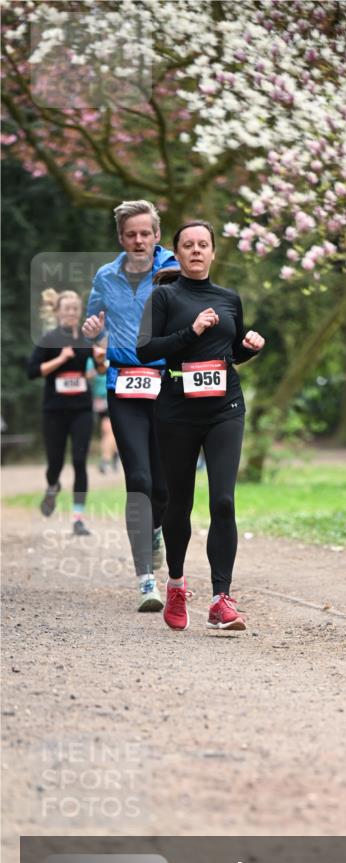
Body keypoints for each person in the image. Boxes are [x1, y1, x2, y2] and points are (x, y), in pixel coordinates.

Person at [136, 220, 265, 632]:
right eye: (188, 245)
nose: (195, 250)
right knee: (180, 504)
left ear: (213, 252)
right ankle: (175, 583)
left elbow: (227, 353)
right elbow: (145, 351)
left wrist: (248, 347)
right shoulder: (163, 296)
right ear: (178, 253)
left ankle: (220, 600)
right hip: (176, 410)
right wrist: (190, 330)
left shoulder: (229, 298)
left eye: (203, 244)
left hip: (225, 407)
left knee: (223, 501)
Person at [81, 200, 178, 612]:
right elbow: (92, 325)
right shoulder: (106, 276)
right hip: (123, 386)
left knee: (163, 487)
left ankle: (155, 529)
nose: (138, 240)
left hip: (167, 386)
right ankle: (145, 580)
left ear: (156, 235)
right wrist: (93, 334)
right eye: (130, 234)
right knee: (137, 478)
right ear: (121, 238)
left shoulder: (174, 271)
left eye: (145, 233)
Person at [27, 289, 93, 536]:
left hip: (82, 410)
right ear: (57, 312)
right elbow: (32, 371)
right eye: (66, 309)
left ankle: (78, 518)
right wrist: (61, 359)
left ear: (79, 312)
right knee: (55, 462)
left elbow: (96, 370)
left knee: (79, 461)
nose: (71, 313)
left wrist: (97, 363)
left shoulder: (87, 340)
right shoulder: (48, 339)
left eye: (75, 309)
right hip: (54, 410)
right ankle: (52, 486)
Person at [86, 344, 118, 473]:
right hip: (99, 399)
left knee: (108, 428)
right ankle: (115, 453)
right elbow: (87, 375)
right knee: (107, 430)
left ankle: (105, 460)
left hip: (114, 396)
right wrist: (100, 366)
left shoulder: (115, 354)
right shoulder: (92, 358)